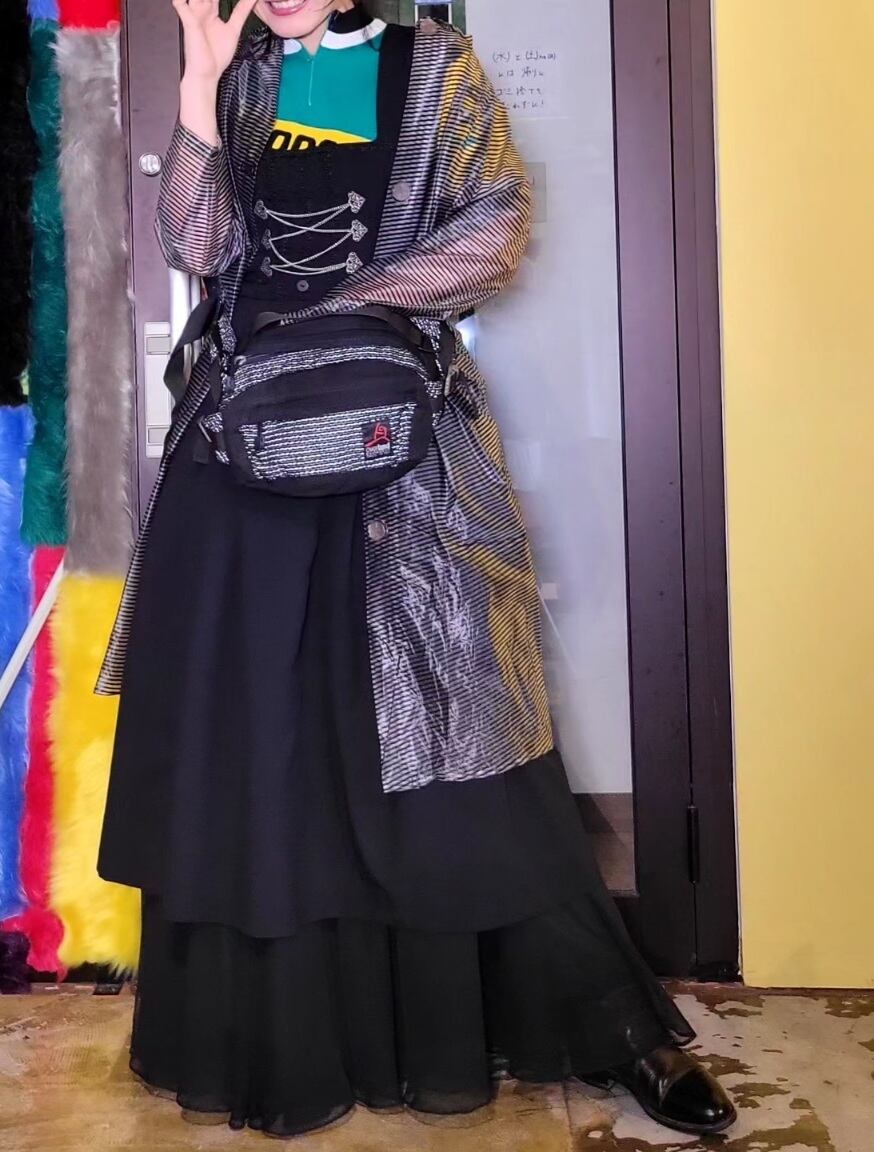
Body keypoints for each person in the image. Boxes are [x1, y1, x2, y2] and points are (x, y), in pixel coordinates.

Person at [96, 0, 736, 1139]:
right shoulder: (236, 76)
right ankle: (284, 1036)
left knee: (463, 738)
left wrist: (334, 311)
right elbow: (200, 249)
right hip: (242, 458)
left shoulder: (434, 66)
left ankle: (611, 1029)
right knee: (261, 746)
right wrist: (197, 79)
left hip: (401, 451)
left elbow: (496, 227)